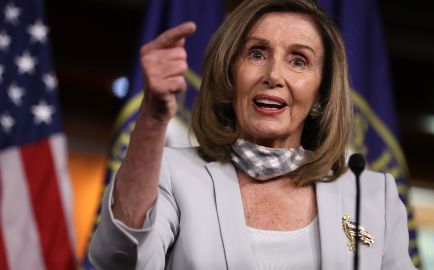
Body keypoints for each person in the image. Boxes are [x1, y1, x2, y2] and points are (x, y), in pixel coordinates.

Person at [89, 0, 417, 269]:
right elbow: (121, 258)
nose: (273, 75)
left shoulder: (375, 197)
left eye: (299, 61)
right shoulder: (173, 175)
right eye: (257, 53)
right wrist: (153, 116)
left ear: (321, 92)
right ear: (230, 74)